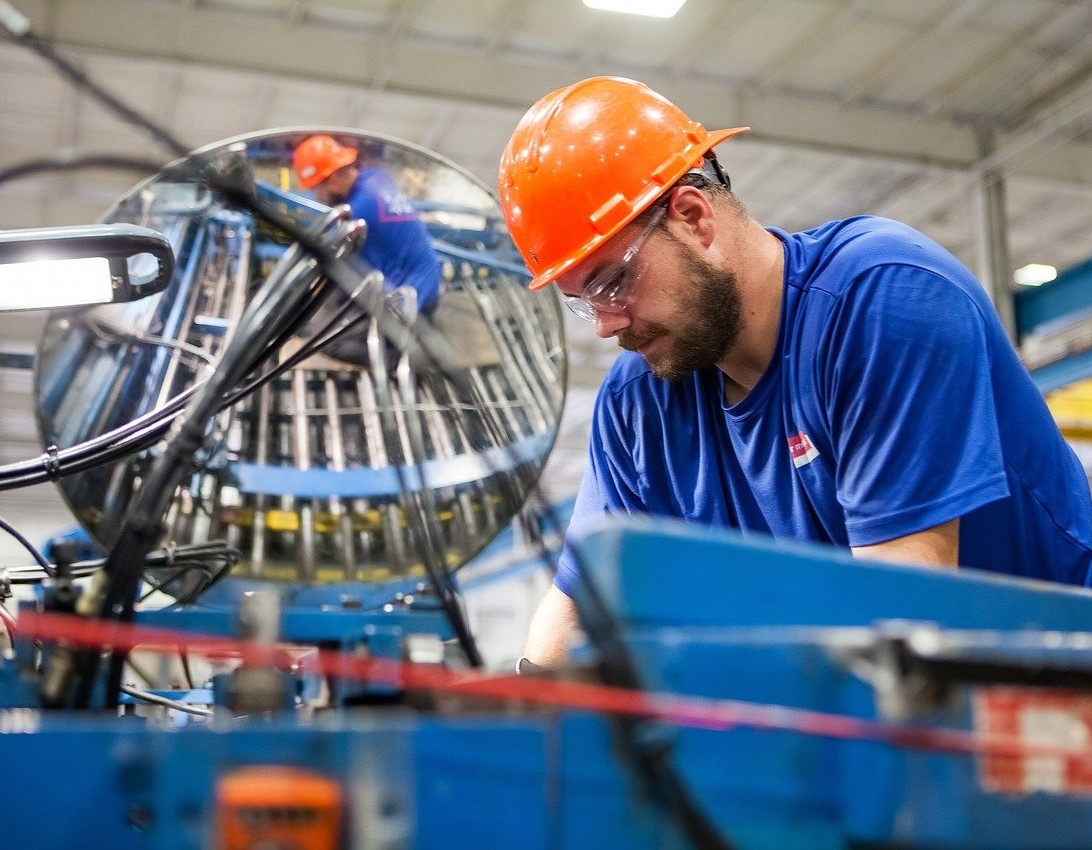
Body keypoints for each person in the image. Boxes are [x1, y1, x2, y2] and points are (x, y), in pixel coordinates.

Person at [497, 76, 1092, 667]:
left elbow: (903, 623)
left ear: (693, 217)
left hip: (1048, 697)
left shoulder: (882, 300)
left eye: (612, 282)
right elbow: (577, 603)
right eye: (584, 302)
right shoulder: (638, 405)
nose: (605, 324)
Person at [292, 134, 442, 319]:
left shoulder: (356, 213)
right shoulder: (376, 178)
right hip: (427, 284)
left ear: (332, 179)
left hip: (408, 303)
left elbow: (326, 262)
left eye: (316, 188)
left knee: (323, 334)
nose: (317, 197)